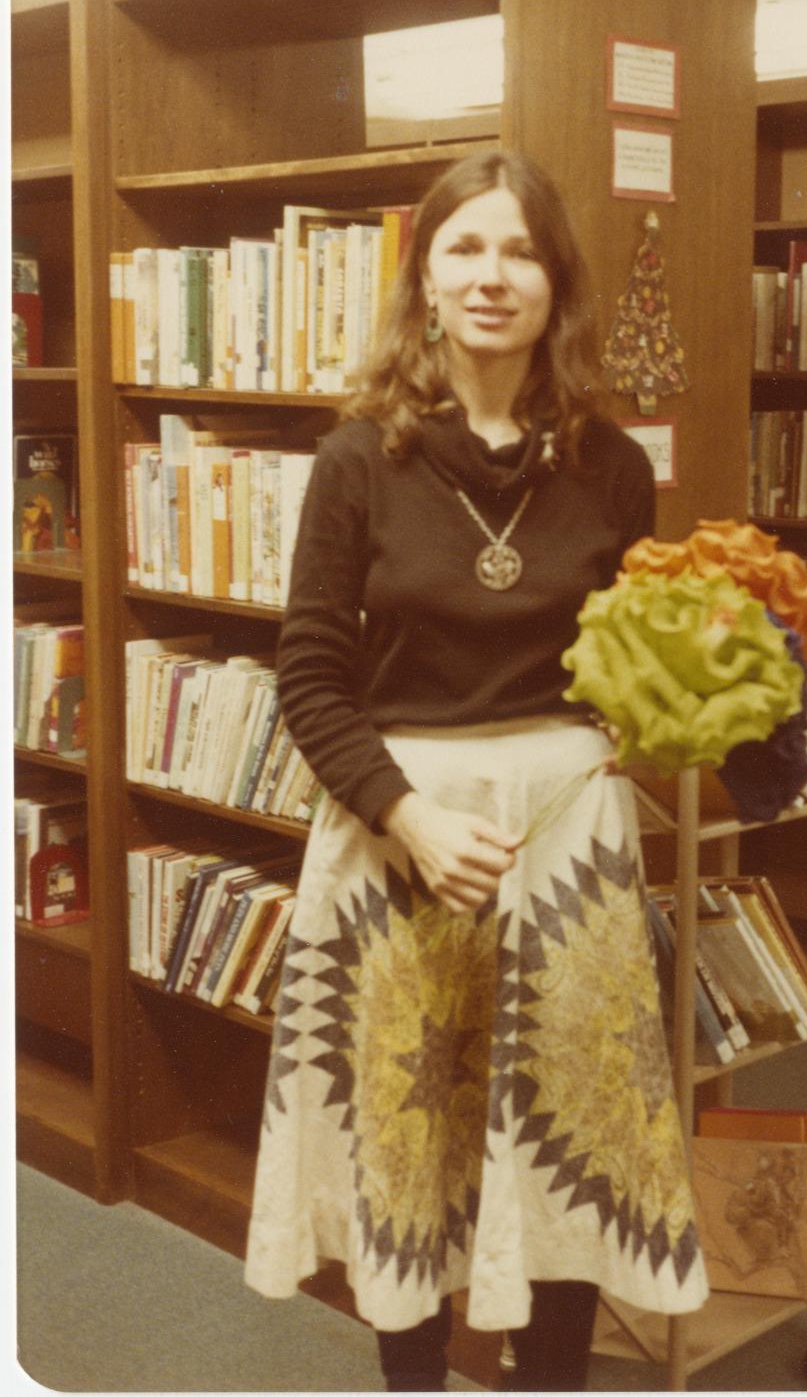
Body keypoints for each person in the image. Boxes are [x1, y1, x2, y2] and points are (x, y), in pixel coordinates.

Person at [244, 150, 709, 1391]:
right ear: (426, 280)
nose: (492, 276)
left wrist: (704, 690)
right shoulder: (358, 462)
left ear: (556, 284)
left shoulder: (612, 466)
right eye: (464, 249)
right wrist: (407, 816)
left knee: (566, 1146)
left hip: (567, 843)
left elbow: (628, 665)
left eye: (519, 252)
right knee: (414, 1146)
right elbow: (309, 676)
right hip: (405, 839)